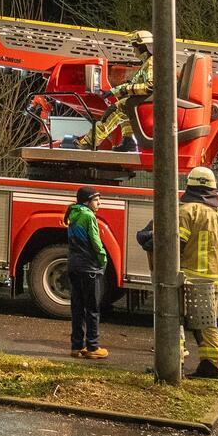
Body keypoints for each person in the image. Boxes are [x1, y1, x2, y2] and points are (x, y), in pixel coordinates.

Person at [178, 165, 218, 378]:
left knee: (179, 321)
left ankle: (183, 363)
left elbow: (178, 245)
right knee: (208, 324)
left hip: (191, 276)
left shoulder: (187, 211)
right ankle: (210, 364)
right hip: (215, 277)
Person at [84, 30, 155, 150]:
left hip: (149, 102)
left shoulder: (152, 63)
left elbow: (150, 86)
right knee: (126, 108)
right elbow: (134, 84)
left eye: (135, 48)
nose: (134, 51)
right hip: (148, 102)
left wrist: (125, 91)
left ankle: (88, 142)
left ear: (143, 47)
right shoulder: (148, 63)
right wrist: (113, 91)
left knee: (115, 110)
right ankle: (129, 142)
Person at [63, 185, 109, 359]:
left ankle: (76, 347)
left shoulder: (73, 214)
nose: (99, 204)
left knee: (77, 308)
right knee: (92, 308)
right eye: (96, 200)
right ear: (87, 201)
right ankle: (92, 347)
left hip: (74, 266)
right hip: (89, 267)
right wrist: (103, 259)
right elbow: (96, 243)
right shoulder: (89, 216)